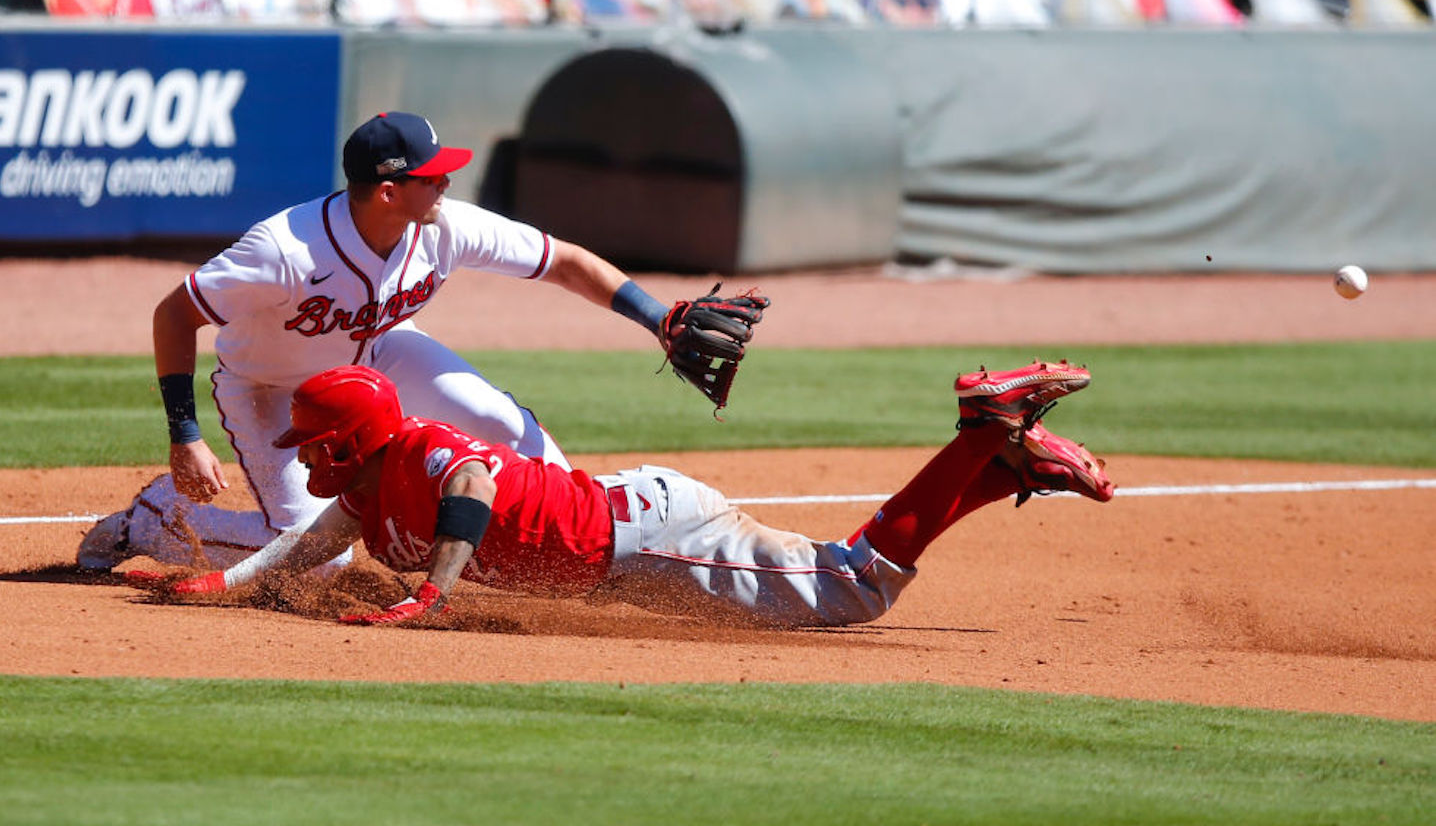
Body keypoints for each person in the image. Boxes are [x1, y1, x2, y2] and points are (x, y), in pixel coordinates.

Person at [78, 111, 714, 574]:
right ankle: (156, 518)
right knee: (314, 558)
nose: (446, 185)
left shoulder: (444, 226)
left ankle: (563, 553)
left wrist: (656, 318)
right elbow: (174, 314)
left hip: (379, 354)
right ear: (388, 191)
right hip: (273, 390)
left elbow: (564, 261)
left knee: (504, 427)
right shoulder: (282, 251)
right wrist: (184, 433)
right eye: (432, 176)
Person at [161, 359, 1115, 628]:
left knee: (853, 591)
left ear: (351, 441)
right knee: (839, 572)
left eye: (317, 444)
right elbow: (311, 544)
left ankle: (982, 436)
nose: (308, 458)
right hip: (632, 535)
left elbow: (474, 484)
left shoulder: (418, 456)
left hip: (642, 539)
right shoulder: (371, 488)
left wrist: (433, 590)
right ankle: (996, 469)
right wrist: (232, 584)